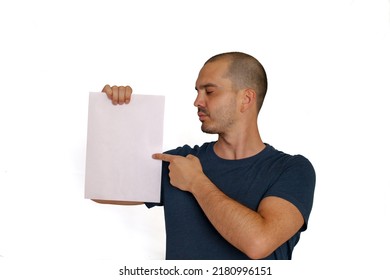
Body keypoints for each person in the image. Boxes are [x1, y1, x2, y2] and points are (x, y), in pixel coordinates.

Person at [95, 52, 316, 260]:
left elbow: (258, 243)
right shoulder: (180, 161)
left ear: (246, 99)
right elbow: (101, 189)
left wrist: (196, 183)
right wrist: (113, 114)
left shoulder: (291, 170)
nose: (197, 101)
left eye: (209, 91)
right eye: (197, 92)